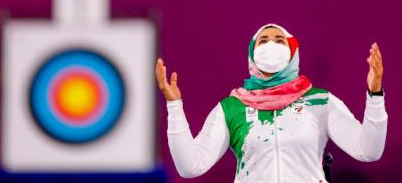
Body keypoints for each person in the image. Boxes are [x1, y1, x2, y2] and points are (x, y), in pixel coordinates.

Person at [154, 23, 387, 182]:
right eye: (263, 40)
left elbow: (369, 150)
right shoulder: (231, 108)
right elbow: (189, 167)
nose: (271, 44)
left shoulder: (320, 101)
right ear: (252, 54)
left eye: (279, 40)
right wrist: (175, 108)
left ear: (292, 52)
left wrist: (374, 94)